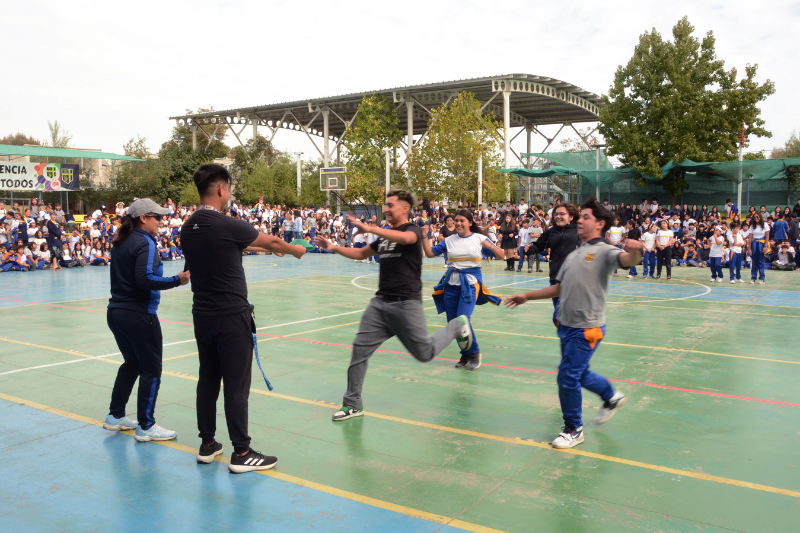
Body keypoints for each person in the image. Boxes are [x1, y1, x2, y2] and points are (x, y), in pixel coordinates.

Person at [181, 164, 307, 474]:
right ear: (221, 189)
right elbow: (274, 242)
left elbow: (229, 245)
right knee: (236, 385)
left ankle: (208, 444)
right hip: (231, 316)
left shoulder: (189, 226)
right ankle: (242, 452)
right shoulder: (226, 223)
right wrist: (295, 250)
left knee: (208, 380)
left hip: (203, 316)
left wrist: (260, 249)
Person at [314, 189, 473, 421]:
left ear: (405, 208)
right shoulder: (386, 235)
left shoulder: (412, 230)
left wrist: (370, 228)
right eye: (385, 205)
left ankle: (458, 325)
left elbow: (407, 240)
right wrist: (334, 247)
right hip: (379, 304)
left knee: (425, 354)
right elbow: (360, 254)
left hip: (406, 304)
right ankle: (353, 403)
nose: (386, 209)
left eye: (390, 205)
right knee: (359, 350)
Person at [504, 196, 644, 449]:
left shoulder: (604, 251)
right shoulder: (575, 254)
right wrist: (526, 296)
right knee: (579, 372)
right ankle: (611, 396)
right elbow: (558, 288)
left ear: (600, 224)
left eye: (586, 217)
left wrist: (635, 252)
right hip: (566, 324)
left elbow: (625, 260)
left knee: (567, 376)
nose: (580, 220)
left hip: (587, 327)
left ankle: (573, 429)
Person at [104, 198, 191, 442]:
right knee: (151, 369)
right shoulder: (145, 242)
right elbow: (145, 279)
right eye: (158, 217)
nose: (161, 222)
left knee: (131, 363)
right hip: (139, 315)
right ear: (144, 218)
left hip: (116, 312)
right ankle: (146, 425)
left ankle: (116, 416)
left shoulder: (121, 241)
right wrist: (177, 280)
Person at [422, 209, 505, 370]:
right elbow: (430, 253)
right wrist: (425, 236)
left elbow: (502, 256)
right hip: (451, 285)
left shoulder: (479, 238)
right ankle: (465, 354)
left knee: (462, 319)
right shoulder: (449, 240)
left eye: (462, 220)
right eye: (456, 220)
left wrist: (491, 246)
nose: (458, 223)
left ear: (470, 223)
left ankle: (474, 353)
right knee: (453, 323)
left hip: (471, 284)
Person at [524, 203, 581, 324]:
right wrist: (529, 248)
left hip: (573, 279)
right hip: (555, 278)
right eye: (556, 214)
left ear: (571, 217)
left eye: (562, 214)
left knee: (559, 315)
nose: (558, 216)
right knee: (562, 318)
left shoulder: (579, 231)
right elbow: (538, 246)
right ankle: (568, 339)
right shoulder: (551, 232)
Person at [748, 213, 770, 284]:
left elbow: (767, 236)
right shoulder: (752, 226)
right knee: (754, 261)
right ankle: (753, 278)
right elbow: (750, 237)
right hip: (754, 243)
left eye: (757, 217)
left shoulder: (765, 225)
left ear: (760, 217)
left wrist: (765, 246)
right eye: (754, 217)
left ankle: (762, 278)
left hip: (762, 243)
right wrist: (749, 248)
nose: (756, 218)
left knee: (761, 261)